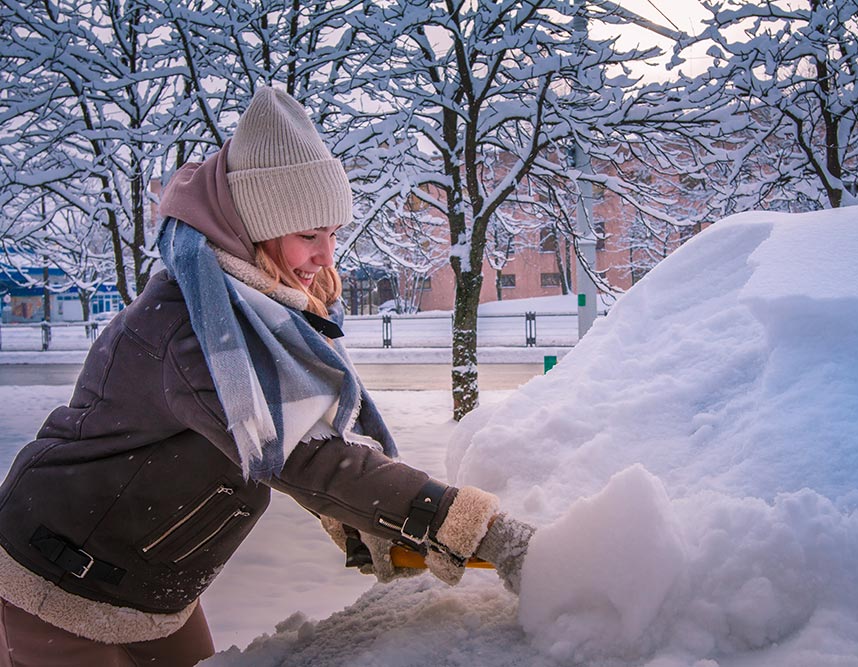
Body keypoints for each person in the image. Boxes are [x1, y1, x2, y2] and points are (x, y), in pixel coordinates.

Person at [0, 87, 533, 667]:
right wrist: (470, 527)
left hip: (146, 574)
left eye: (333, 232)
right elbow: (302, 455)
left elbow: (302, 436)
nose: (328, 255)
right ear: (256, 229)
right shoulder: (197, 331)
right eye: (309, 235)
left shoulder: (252, 311)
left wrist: (362, 516)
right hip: (58, 573)